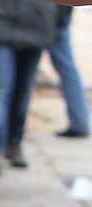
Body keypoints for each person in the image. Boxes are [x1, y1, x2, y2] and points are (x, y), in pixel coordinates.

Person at [0, 0, 57, 176]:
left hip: (36, 25)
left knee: (21, 92)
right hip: (1, 24)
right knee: (2, 91)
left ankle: (13, 144)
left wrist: (53, 16)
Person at [50, 6, 90, 136]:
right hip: (54, 15)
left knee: (66, 67)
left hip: (50, 16)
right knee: (67, 67)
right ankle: (80, 121)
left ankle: (80, 122)